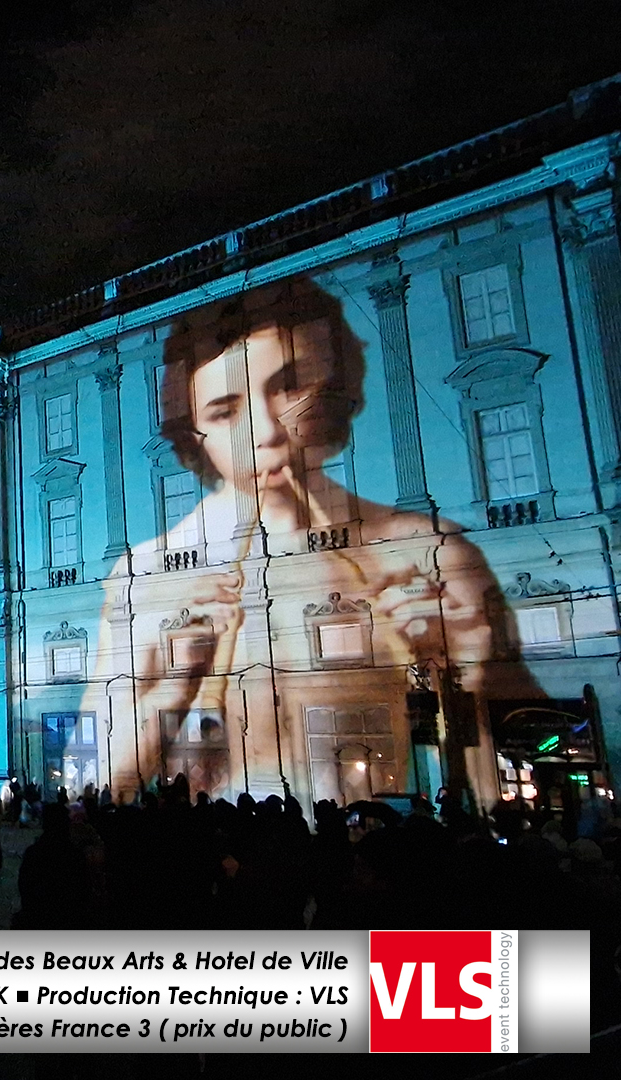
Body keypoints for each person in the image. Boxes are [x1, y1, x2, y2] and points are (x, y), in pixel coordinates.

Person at [83, 278, 536, 801]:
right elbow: (106, 767)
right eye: (225, 410)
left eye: (288, 387)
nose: (267, 430)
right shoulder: (138, 574)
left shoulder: (428, 547)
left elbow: (494, 727)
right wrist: (170, 689)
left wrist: (469, 680)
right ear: (194, 433)